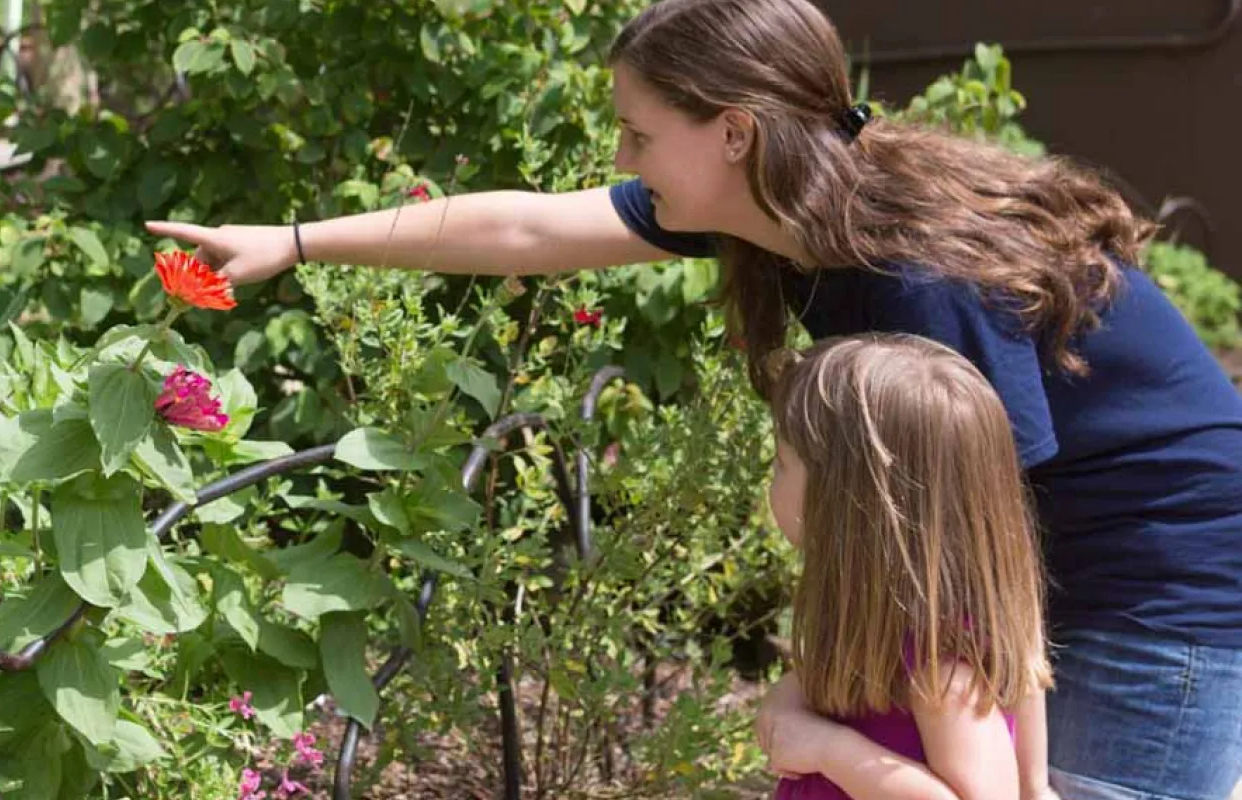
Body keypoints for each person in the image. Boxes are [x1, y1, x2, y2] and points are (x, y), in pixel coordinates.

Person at [144, 0, 1242, 797]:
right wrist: (290, 244)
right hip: (1050, 572)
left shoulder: (915, 278)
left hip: (1156, 578)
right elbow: (530, 230)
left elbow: (999, 541)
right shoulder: (789, 202)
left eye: (637, 132)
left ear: (735, 131)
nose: (622, 157)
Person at [753, 334, 1053, 799]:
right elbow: (823, 689)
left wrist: (830, 750)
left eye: (780, 464)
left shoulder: (940, 669)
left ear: (847, 501)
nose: (770, 480)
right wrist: (788, 705)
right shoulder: (877, 620)